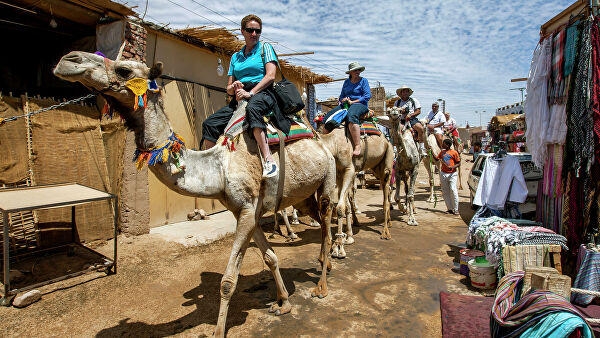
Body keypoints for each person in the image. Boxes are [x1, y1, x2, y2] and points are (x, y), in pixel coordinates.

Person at [200, 14, 290, 178]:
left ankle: (268, 159)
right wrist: (234, 88)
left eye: (257, 31)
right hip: (239, 97)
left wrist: (251, 93)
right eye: (250, 30)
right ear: (242, 31)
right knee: (209, 123)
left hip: (263, 92)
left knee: (253, 108)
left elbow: (270, 76)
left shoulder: (265, 48)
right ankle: (211, 165)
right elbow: (228, 88)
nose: (254, 34)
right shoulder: (235, 57)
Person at [322, 61, 371, 156]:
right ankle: (325, 143)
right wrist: (343, 99)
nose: (358, 71)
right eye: (355, 70)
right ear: (351, 72)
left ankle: (357, 145)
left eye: (359, 70)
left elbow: (367, 96)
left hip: (360, 104)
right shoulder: (346, 82)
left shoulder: (364, 81)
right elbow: (341, 96)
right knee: (328, 117)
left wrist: (353, 101)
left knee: (351, 116)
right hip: (346, 105)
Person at [395, 85, 426, 156]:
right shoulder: (397, 102)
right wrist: (401, 111)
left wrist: (410, 115)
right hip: (401, 120)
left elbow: (418, 111)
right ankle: (396, 148)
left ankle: (421, 148)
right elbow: (395, 111)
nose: (405, 93)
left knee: (420, 128)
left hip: (412, 119)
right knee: (397, 131)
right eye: (403, 91)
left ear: (409, 93)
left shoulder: (414, 100)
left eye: (406, 91)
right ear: (401, 93)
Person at [436, 138, 461, 215]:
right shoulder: (442, 152)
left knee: (453, 190)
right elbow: (436, 159)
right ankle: (449, 208)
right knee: (445, 191)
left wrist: (453, 167)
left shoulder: (454, 152)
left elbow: (459, 163)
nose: (442, 145)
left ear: (447, 145)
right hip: (443, 173)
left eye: (443, 143)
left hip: (452, 174)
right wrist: (430, 150)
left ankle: (456, 209)